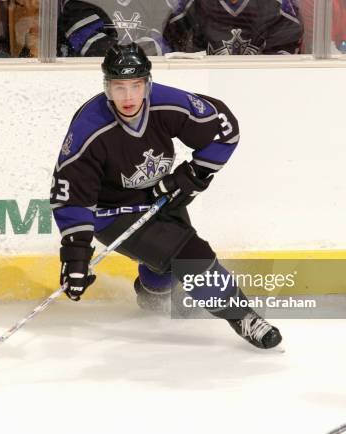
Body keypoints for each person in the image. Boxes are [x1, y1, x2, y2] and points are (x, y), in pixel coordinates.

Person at [50, 42, 282, 350]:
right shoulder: (89, 129)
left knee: (171, 266)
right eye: (119, 87)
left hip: (161, 194)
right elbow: (70, 194)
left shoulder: (167, 102)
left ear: (148, 83)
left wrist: (193, 175)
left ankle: (152, 292)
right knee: (192, 255)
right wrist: (76, 253)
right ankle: (244, 318)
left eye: (135, 86)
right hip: (110, 213)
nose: (128, 97)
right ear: (107, 88)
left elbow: (224, 128)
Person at [57, 0, 192, 57]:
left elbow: (171, 42)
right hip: (97, 81)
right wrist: (142, 50)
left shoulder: (157, 3)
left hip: (147, 81)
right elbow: (94, 47)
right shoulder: (79, 5)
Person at [170, 0, 302, 55]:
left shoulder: (279, 8)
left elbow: (282, 71)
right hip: (206, 88)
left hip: (260, 90)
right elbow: (172, 50)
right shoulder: (192, 5)